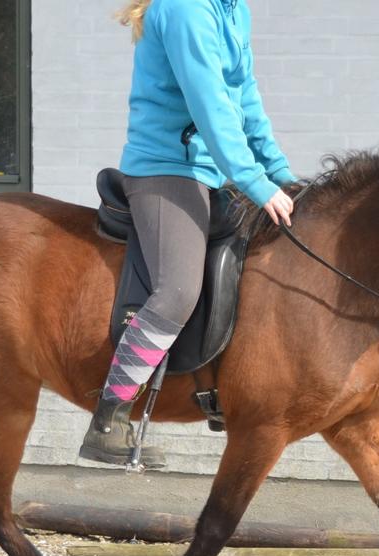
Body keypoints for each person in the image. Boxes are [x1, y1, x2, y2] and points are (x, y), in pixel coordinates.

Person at [80, 0, 297, 468]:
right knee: (177, 291)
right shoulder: (185, 9)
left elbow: (245, 98)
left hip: (210, 174)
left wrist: (281, 174)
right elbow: (210, 104)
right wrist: (256, 183)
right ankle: (108, 419)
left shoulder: (232, 10)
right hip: (165, 170)